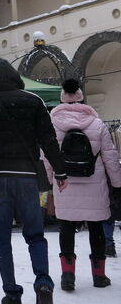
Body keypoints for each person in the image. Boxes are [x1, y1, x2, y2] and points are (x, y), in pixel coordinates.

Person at [0, 59, 68, 304]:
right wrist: (61, 172)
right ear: (16, 78)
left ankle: (11, 292)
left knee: (2, 238)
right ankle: (43, 284)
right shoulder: (34, 101)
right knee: (35, 234)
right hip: (27, 178)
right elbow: (49, 140)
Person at [44, 79, 121, 291]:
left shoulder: (53, 126)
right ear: (80, 97)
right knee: (96, 226)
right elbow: (110, 157)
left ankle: (68, 276)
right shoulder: (97, 125)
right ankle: (99, 275)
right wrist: (117, 183)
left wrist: (51, 180)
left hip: (64, 184)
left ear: (62, 97)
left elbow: (47, 156)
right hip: (94, 184)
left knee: (67, 227)